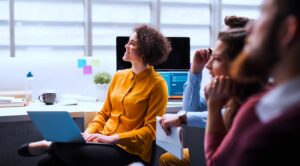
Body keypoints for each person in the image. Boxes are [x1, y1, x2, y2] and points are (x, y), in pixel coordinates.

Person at [18, 24, 172, 166]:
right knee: (47, 163)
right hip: (102, 140)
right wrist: (87, 134)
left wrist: (113, 139)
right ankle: (53, 146)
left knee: (73, 154)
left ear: (145, 51)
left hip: (129, 150)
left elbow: (150, 131)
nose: (126, 45)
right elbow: (104, 114)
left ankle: (49, 144)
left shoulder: (157, 84)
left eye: (132, 43)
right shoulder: (119, 76)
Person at [159, 16, 251, 166]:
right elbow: (191, 108)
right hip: (215, 153)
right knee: (168, 159)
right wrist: (195, 72)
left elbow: (234, 115)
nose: (209, 65)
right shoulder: (223, 87)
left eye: (218, 58)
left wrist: (184, 118)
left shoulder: (254, 97)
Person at [224, 0, 300, 165]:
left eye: (263, 14)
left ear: (288, 30)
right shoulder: (262, 107)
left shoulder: (267, 143)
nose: (249, 28)